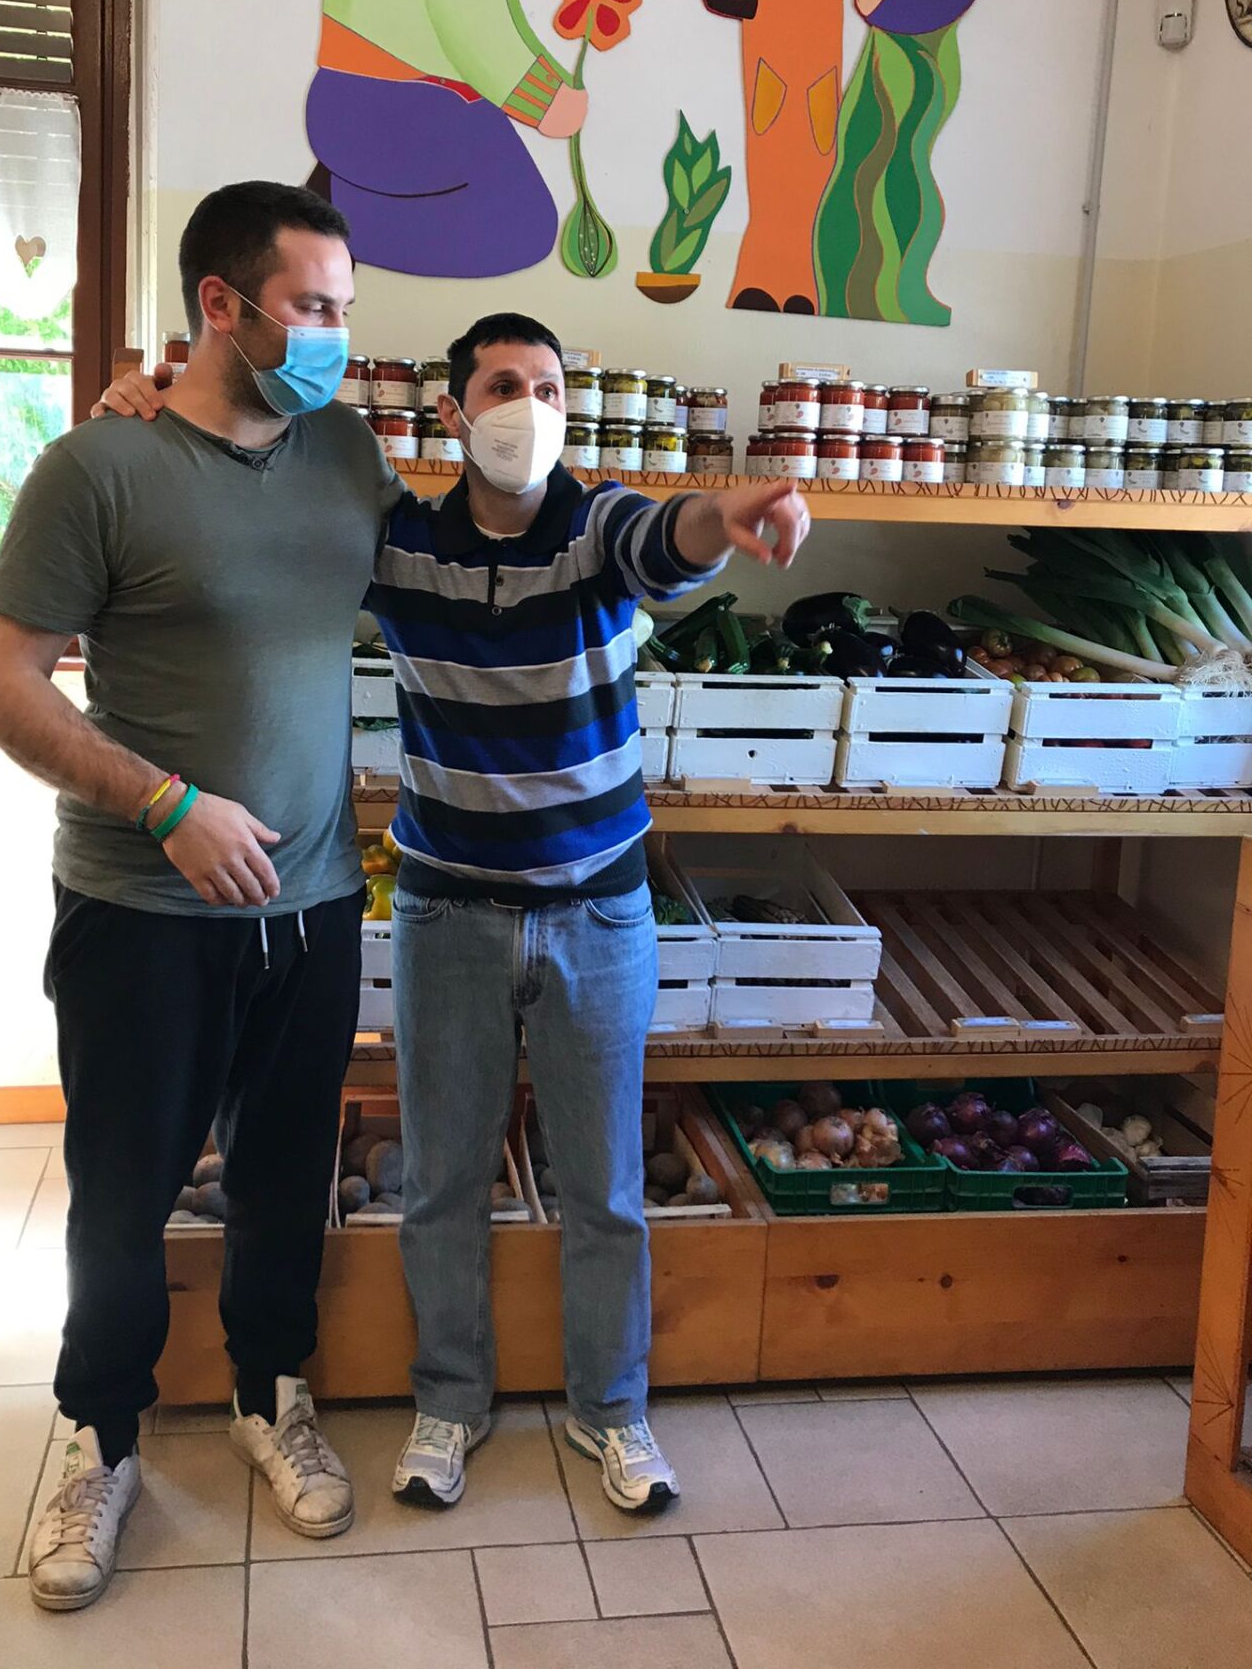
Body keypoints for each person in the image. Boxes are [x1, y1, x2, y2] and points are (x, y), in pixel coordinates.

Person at [98, 311, 810, 1516]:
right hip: (448, 915)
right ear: (453, 413)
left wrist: (724, 513)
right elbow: (264, 488)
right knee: (440, 1180)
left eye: (548, 387)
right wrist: (161, 411)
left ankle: (613, 1412)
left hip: (598, 916)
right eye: (502, 385)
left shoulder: (597, 527)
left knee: (604, 1186)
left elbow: (671, 537)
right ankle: (449, 1401)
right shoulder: (401, 544)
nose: (528, 407)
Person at [0, 182, 399, 1612]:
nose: (335, 337)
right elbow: (0, 685)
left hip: (315, 902)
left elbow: (470, 568)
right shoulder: (101, 465)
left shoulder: (348, 453)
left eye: (344, 309)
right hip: (140, 914)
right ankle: (98, 1437)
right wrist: (165, 805)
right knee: (124, 1195)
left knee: (286, 1178)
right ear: (221, 303)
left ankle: (272, 1395)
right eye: (313, 308)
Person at [691, 0, 984, 316]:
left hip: (821, 64)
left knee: (819, 153)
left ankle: (806, 280)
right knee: (770, 153)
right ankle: (761, 274)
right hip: (768, 57)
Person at [306, 0, 584, 278]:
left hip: (348, 101)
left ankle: (329, 208)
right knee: (526, 224)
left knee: (510, 198)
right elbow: (478, 29)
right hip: (398, 106)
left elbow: (506, 18)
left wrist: (556, 84)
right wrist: (547, 104)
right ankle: (323, 222)